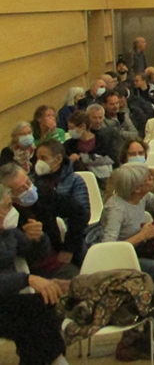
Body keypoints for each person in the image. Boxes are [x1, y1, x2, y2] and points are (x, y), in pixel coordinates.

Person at [0, 180, 70, 365]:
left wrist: (39, 239)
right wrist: (27, 279)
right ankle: (57, 360)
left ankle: (53, 360)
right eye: (7, 206)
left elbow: (35, 255)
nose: (12, 210)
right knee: (33, 312)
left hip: (6, 298)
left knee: (45, 303)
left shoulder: (8, 233)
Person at [99, 164, 154, 324]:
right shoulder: (116, 209)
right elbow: (108, 249)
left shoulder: (142, 197)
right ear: (136, 189)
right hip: (119, 261)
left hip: (139, 251)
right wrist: (142, 235)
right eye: (147, 179)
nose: (151, 179)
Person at [33, 139, 90, 215]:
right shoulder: (34, 181)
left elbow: (83, 213)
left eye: (43, 158)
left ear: (58, 159)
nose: (39, 162)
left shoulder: (75, 181)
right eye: (38, 158)